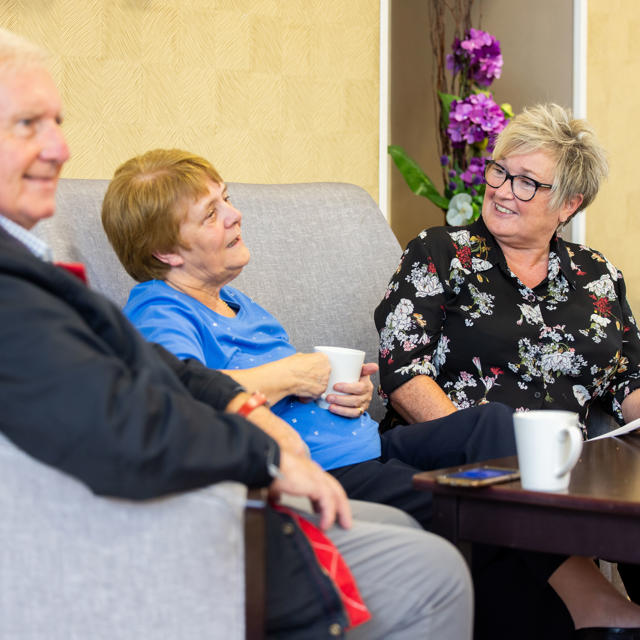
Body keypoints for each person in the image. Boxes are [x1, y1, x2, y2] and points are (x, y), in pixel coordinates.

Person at [0, 27, 474, 640]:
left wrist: (244, 401)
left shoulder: (29, 264)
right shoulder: (24, 289)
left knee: (443, 497)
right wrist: (266, 452)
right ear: (167, 250)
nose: (61, 147)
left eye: (57, 121)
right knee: (436, 564)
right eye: (27, 124)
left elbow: (159, 371)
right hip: (180, 519)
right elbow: (121, 419)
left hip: (285, 466)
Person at [100, 147, 519, 533]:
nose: (234, 215)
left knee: (492, 424)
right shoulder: (159, 311)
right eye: (211, 214)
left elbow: (295, 390)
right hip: (326, 473)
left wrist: (346, 394)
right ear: (165, 252)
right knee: (481, 504)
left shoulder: (237, 303)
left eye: (226, 198)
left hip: (368, 447)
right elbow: (175, 398)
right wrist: (293, 375)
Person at [375, 103, 640, 639]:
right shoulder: (440, 254)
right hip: (475, 467)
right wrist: (496, 466)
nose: (501, 190)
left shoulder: (597, 275)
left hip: (575, 474)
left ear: (569, 203)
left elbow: (628, 381)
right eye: (499, 171)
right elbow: (403, 373)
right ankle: (593, 601)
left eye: (526, 183)